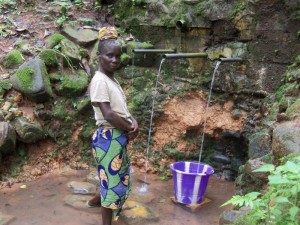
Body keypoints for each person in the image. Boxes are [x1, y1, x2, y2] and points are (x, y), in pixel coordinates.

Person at [88, 27, 139, 225]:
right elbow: (108, 114)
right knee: (111, 185)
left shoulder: (111, 79)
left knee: (111, 178)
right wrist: (129, 127)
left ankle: (96, 199)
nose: (115, 60)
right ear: (99, 56)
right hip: (109, 138)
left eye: (118, 56)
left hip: (115, 138)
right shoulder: (100, 80)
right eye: (110, 55)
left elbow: (120, 109)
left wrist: (132, 120)